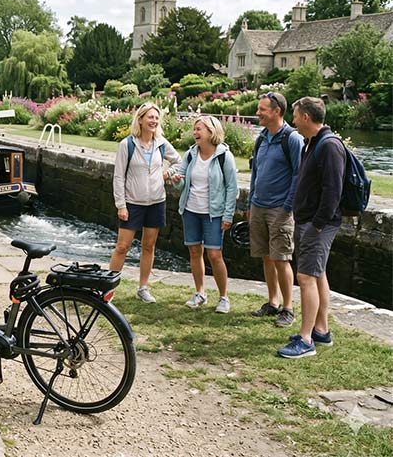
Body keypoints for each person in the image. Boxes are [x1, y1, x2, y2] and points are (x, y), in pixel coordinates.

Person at [277, 97, 345, 358]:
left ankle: (306, 340)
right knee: (317, 275)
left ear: (305, 116)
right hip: (309, 221)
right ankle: (321, 330)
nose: (293, 121)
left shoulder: (329, 146)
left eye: (295, 115)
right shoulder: (312, 144)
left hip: (319, 225)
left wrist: (317, 224)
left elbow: (333, 190)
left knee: (305, 277)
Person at [111, 102, 182, 303]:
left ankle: (143, 288)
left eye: (156, 118)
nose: (154, 121)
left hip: (156, 202)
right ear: (140, 119)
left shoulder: (161, 143)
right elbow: (118, 177)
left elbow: (180, 161)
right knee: (122, 247)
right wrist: (121, 205)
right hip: (132, 203)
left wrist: (167, 173)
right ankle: (108, 288)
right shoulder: (127, 145)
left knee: (149, 246)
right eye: (150, 117)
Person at [171, 116, 239, 313]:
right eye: (194, 129)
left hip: (214, 214)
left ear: (211, 132)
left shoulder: (224, 156)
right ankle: (200, 293)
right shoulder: (190, 154)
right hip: (190, 211)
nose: (195, 133)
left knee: (215, 254)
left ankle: (224, 297)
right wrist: (176, 180)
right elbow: (182, 182)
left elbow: (231, 188)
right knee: (194, 252)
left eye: (199, 129)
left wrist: (228, 215)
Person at [248, 91, 303, 326]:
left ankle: (288, 308)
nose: (258, 113)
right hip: (259, 207)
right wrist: (251, 202)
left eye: (262, 109)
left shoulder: (291, 138)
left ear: (276, 111)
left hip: (280, 209)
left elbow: (299, 176)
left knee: (281, 259)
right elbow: (255, 173)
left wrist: (287, 208)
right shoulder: (261, 137)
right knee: (266, 257)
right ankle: (272, 303)